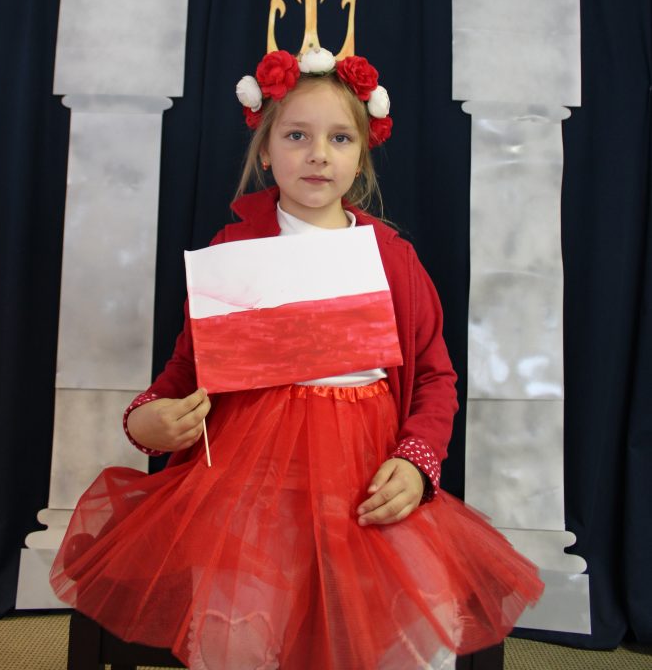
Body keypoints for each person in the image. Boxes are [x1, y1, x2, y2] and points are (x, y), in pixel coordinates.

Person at [51, 46, 543, 670]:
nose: (318, 154)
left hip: (365, 485)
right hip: (252, 491)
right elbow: (186, 371)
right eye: (296, 136)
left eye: (340, 138)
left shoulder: (392, 258)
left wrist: (417, 461)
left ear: (361, 154)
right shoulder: (234, 250)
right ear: (265, 150)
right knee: (248, 631)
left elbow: (434, 376)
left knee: (382, 636)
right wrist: (147, 418)